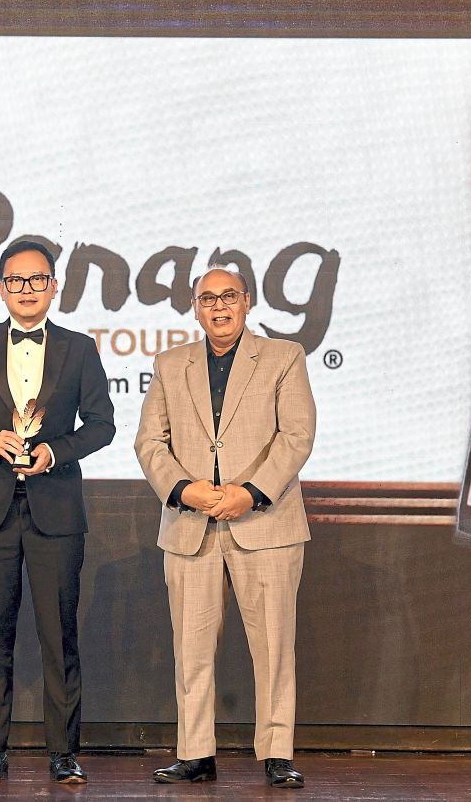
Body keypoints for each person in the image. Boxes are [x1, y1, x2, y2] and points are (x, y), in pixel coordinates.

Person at [0, 239, 116, 784]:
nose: (27, 289)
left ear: (54, 286)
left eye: (37, 279)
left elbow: (102, 424)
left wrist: (55, 452)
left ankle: (63, 751)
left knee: (59, 634)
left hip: (55, 510)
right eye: (16, 280)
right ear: (1, 288)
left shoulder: (79, 348)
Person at [134, 267, 316, 790]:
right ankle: (195, 753)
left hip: (266, 522)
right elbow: (150, 442)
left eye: (228, 296)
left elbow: (297, 435)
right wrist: (183, 489)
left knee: (274, 647)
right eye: (207, 298)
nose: (219, 306)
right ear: (195, 308)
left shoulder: (284, 356)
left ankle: (277, 752)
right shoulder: (171, 364)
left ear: (247, 302)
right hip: (191, 525)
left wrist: (250, 492)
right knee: (191, 651)